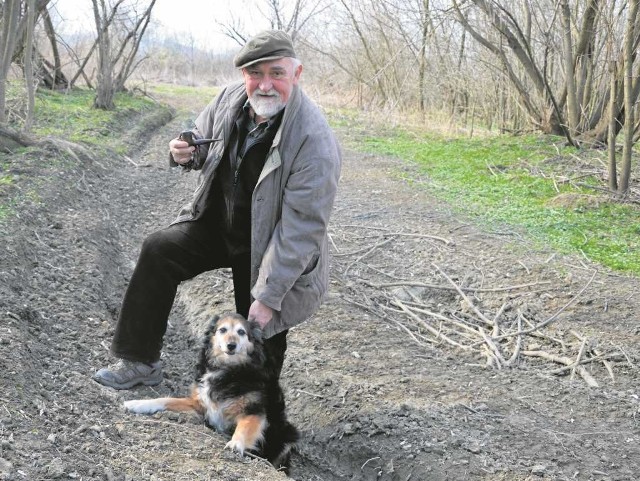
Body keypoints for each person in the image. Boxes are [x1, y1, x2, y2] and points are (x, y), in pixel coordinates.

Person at [93, 30, 342, 389]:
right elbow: (199, 139)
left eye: (276, 73)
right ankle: (140, 362)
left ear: (296, 74)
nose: (265, 85)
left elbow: (301, 229)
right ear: (244, 76)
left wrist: (269, 297)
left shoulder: (313, 141)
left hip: (269, 243)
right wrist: (185, 152)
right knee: (159, 250)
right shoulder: (230, 100)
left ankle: (257, 417)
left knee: (260, 320)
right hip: (219, 222)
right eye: (255, 74)